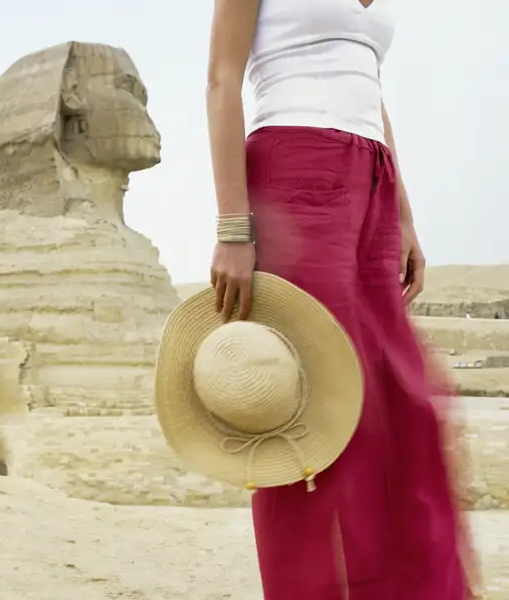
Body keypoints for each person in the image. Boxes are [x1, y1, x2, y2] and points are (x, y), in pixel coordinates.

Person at [205, 1, 479, 599]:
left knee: (403, 401)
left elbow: (370, 90)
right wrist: (233, 226)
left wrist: (403, 214)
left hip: (372, 176)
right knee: (311, 410)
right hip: (294, 166)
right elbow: (221, 78)